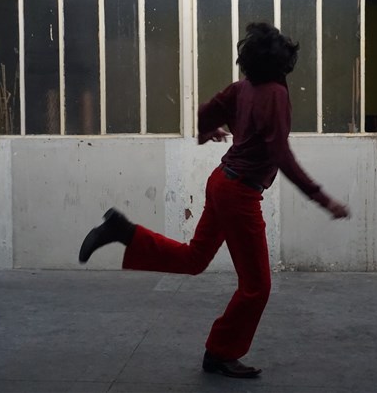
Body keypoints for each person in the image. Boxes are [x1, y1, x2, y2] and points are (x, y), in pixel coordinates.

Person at [79, 22, 350, 378]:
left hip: (221, 181)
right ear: (282, 63)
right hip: (239, 194)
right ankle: (221, 353)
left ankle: (123, 231)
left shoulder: (242, 88)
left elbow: (206, 112)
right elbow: (281, 154)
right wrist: (322, 198)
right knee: (257, 287)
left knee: (194, 259)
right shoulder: (275, 95)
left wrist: (208, 130)